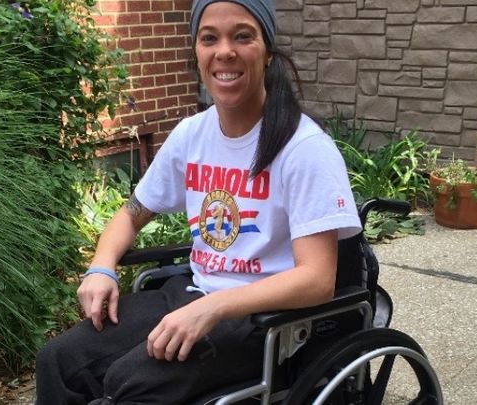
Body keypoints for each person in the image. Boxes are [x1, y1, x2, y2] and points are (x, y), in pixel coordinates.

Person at [35, 0, 361, 403]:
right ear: (196, 51)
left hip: (264, 323)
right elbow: (131, 214)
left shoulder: (304, 147)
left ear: (268, 52)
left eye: (242, 36)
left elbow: (317, 280)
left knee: (128, 383)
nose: (224, 51)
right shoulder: (192, 134)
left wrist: (216, 307)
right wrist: (101, 267)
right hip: (192, 293)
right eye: (209, 38)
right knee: (58, 360)